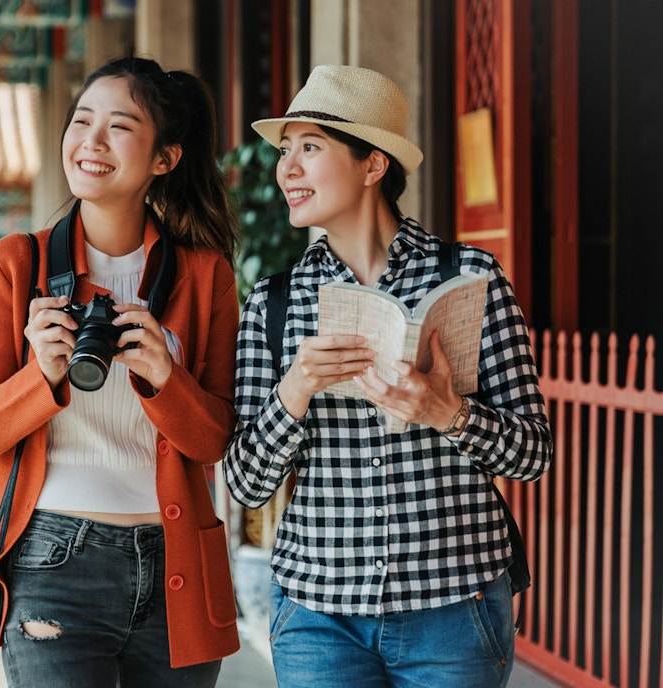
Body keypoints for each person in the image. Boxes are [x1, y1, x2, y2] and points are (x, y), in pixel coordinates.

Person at [222, 64, 553, 688]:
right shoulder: (273, 302)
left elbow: (533, 454)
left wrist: (447, 413)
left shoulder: (471, 278)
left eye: (310, 148)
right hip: (319, 614)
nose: (286, 169)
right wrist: (295, 390)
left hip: (456, 606)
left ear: (373, 165)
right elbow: (244, 481)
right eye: (285, 151)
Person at [0, 56, 242, 687]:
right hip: (52, 565)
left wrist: (169, 380)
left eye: (119, 126)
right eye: (81, 120)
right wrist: (42, 375)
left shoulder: (204, 275)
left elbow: (216, 438)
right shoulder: (12, 265)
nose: (91, 140)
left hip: (178, 567)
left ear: (164, 159)